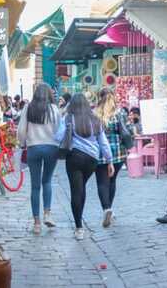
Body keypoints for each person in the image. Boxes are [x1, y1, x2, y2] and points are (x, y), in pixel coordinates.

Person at [54, 94, 113, 240]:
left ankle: (79, 227)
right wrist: (109, 160)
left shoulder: (68, 118)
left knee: (76, 191)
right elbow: (103, 142)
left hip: (75, 157)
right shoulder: (95, 119)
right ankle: (81, 220)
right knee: (82, 188)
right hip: (92, 159)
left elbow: (58, 137)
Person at [17, 83, 61, 234]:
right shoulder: (54, 109)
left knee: (35, 186)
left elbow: (22, 130)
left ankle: (36, 223)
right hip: (51, 148)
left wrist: (23, 143)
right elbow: (59, 130)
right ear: (49, 94)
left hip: (33, 148)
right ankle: (47, 213)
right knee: (47, 181)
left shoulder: (28, 108)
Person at [94, 88, 130, 228]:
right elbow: (127, 130)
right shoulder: (120, 112)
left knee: (102, 182)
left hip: (100, 152)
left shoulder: (95, 113)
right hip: (118, 152)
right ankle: (110, 208)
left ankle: (106, 208)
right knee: (112, 180)